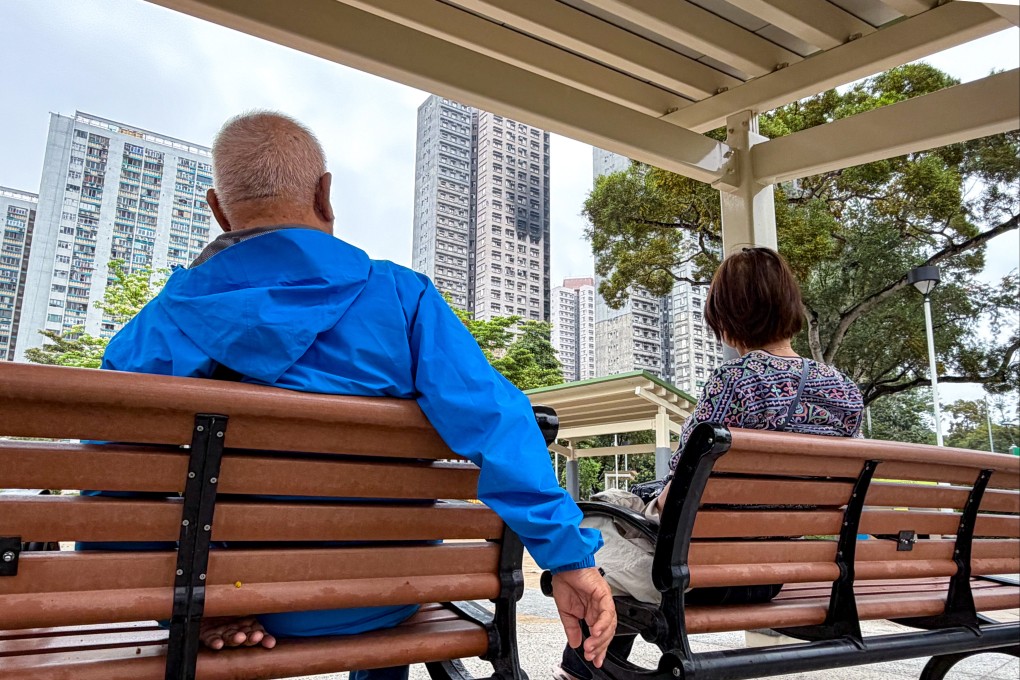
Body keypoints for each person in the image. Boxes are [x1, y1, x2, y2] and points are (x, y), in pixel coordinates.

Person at [93, 111, 616, 675]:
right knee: (389, 581)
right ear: (324, 195)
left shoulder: (152, 333)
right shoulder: (403, 300)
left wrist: (187, 609)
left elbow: (110, 502)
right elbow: (497, 423)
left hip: (228, 598)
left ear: (218, 210)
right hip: (382, 595)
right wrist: (569, 556)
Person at [555, 247, 863, 680]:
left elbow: (674, 498)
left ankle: (581, 669)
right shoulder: (845, 391)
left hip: (701, 576)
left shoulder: (735, 380)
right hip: (773, 572)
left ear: (727, 314)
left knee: (598, 523)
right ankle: (581, 669)